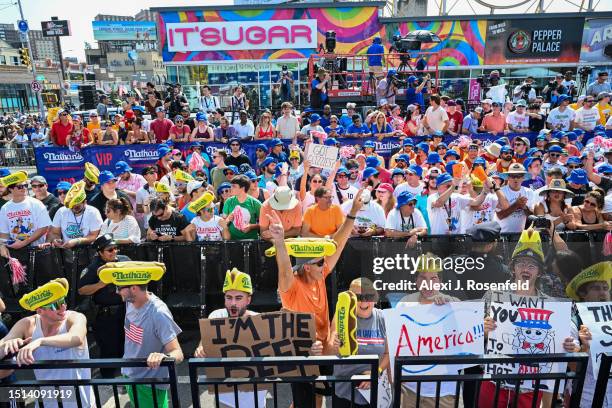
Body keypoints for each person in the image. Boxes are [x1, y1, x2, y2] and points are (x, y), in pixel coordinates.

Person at [269, 191, 363, 407]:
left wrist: (353, 213)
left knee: (317, 398)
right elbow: (283, 269)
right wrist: (279, 241)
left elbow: (337, 245)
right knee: (306, 401)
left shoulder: (318, 275)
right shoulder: (291, 285)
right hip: (300, 351)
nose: (326, 264)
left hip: (322, 349)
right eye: (321, 262)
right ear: (308, 266)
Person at [481, 230, 579, 408]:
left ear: (540, 272)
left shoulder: (551, 305)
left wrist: (568, 345)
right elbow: (472, 333)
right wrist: (483, 330)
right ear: (513, 268)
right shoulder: (493, 295)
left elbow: (560, 344)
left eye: (532, 266)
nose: (526, 269)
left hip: (530, 386)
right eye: (521, 264)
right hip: (494, 381)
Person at [99, 262, 183, 408]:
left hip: (149, 384)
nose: (117, 292)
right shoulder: (130, 301)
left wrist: (163, 357)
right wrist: (113, 266)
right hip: (131, 374)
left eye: (119, 288)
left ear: (134, 288)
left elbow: (178, 353)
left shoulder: (158, 313)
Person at [0, 278, 94, 407]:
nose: (63, 307)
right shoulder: (27, 324)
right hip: (47, 401)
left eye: (63, 301)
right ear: (40, 311)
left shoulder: (75, 317)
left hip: (80, 402)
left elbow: (76, 338)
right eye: (56, 305)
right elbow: (3, 345)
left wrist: (40, 341)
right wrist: (8, 346)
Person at [329, 278, 389, 408]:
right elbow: (331, 346)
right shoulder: (342, 315)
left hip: (374, 392)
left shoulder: (383, 318)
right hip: (345, 391)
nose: (364, 301)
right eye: (358, 297)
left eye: (369, 296)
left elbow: (388, 353)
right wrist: (334, 343)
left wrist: (375, 372)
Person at [77, 234, 131, 378]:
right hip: (106, 316)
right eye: (110, 250)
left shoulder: (125, 261)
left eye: (115, 248)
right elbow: (82, 290)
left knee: (127, 346)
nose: (114, 252)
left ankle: (126, 376)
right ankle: (107, 379)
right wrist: (102, 283)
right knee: (109, 349)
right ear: (100, 252)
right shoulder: (94, 267)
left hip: (127, 311)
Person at [565, 262, 612, 407]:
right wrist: (584, 347)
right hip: (585, 398)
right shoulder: (573, 323)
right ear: (582, 294)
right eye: (596, 288)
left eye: (605, 288)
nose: (603, 293)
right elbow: (573, 368)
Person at [0, 171, 51, 250]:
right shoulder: (5, 208)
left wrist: (24, 242)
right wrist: (3, 246)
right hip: (15, 250)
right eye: (20, 186)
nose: (24, 188)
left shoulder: (36, 204)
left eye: (25, 185)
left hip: (36, 250)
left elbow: (44, 228)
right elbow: (4, 234)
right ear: (10, 189)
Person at [48, 180, 103, 249]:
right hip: (67, 250)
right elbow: (55, 232)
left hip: (88, 250)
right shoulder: (61, 211)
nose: (74, 208)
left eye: (77, 206)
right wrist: (56, 239)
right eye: (72, 206)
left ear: (85, 202)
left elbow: (94, 235)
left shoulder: (93, 212)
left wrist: (77, 241)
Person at [222, 175, 261, 240]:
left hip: (251, 241)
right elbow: (223, 222)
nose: (230, 188)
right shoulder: (228, 201)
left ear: (242, 188)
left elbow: (264, 224)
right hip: (232, 241)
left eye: (233, 186)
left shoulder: (255, 203)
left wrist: (251, 226)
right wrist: (228, 219)